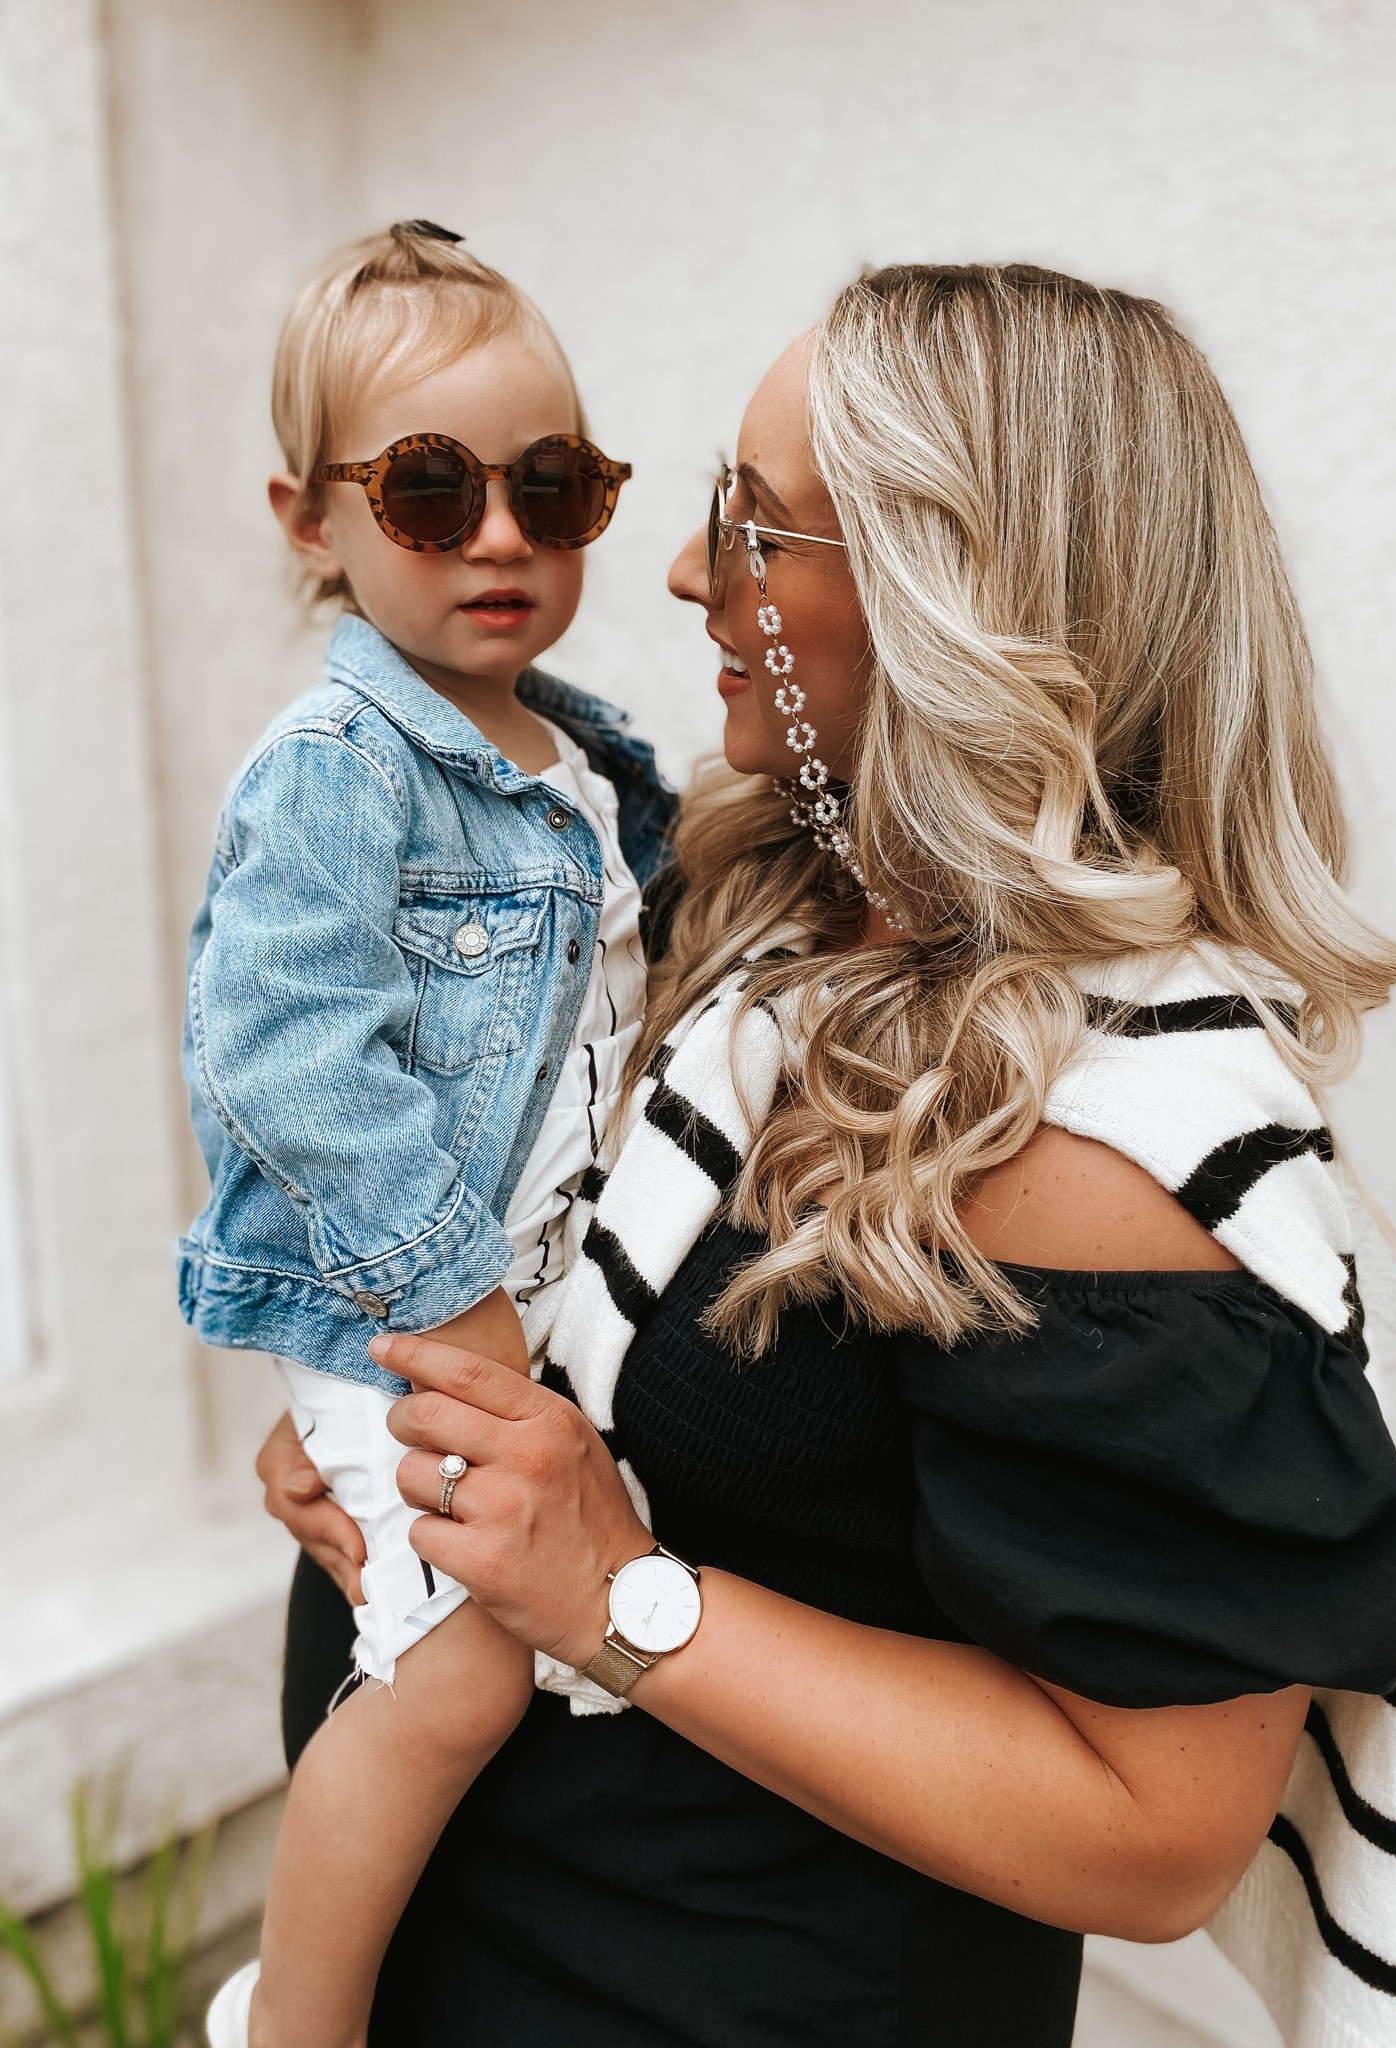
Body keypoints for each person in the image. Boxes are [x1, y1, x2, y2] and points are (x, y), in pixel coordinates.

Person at [259, 263, 1396, 2047]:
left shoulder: (1108, 1128)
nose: (679, 574)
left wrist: (611, 1590)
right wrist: (380, 1412)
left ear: (950, 597)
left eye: (756, 527)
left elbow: (1156, 1831)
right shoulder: (761, 907)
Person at [186, 221, 672, 2048]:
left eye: (551, 488)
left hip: (530, 1316)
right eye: (428, 488)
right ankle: (290, 2022)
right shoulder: (335, 771)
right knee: (464, 1676)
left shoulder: (592, 760)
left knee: (530, 1658)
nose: (498, 537)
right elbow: (292, 1062)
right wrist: (457, 1338)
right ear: (310, 521)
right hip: (431, 1322)